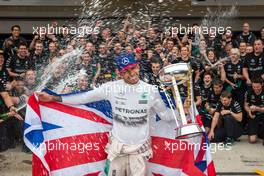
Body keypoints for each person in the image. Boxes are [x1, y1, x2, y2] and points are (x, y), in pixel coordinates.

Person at [36, 54, 177, 176]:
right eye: (126, 71)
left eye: (133, 68)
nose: (131, 73)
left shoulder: (151, 90)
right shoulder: (111, 88)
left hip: (140, 151)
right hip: (117, 150)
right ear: (120, 73)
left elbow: (164, 114)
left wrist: (183, 112)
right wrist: (55, 98)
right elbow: (84, 97)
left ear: (138, 67)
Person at [244, 78, 264, 144]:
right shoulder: (249, 92)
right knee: (252, 140)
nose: (256, 88)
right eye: (254, 87)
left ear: (262, 84)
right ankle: (254, 130)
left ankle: (259, 130)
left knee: (261, 135)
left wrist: (257, 108)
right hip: (253, 115)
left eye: (258, 87)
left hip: (262, 114)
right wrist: (249, 112)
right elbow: (246, 105)